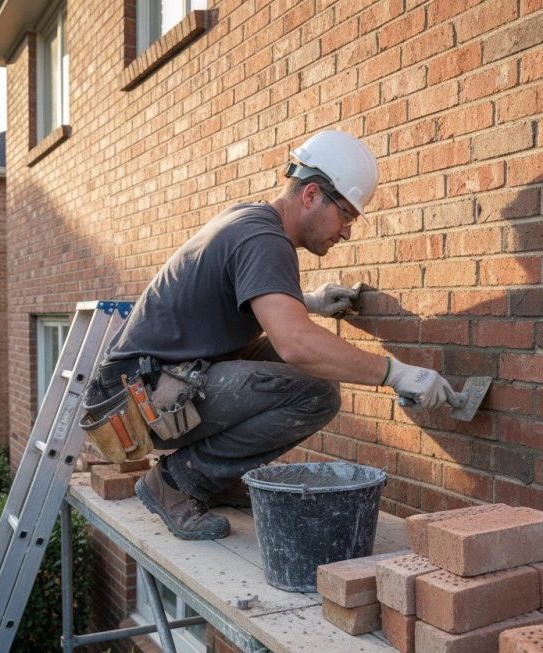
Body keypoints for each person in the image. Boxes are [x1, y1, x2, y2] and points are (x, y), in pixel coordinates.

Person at [98, 130, 459, 541]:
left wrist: (310, 302)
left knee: (287, 360)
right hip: (135, 401)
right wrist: (395, 373)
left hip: (151, 380)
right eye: (346, 215)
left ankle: (214, 478)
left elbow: (243, 294)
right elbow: (297, 344)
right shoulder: (264, 239)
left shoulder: (251, 220)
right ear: (309, 195)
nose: (347, 233)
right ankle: (176, 483)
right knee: (316, 391)